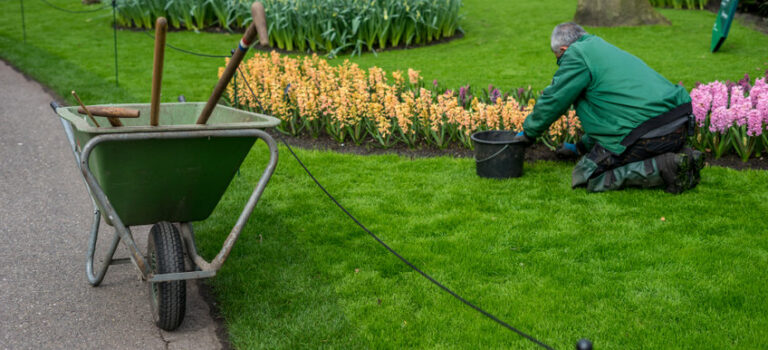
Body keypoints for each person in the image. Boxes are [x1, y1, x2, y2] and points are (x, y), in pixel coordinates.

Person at [513, 22, 704, 193]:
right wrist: (580, 147)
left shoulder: (576, 55)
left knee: (586, 176)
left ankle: (664, 166)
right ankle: (684, 157)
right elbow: (614, 114)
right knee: (626, 144)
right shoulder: (599, 48)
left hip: (648, 135)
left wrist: (529, 133)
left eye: (558, 60)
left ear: (563, 49)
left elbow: (555, 99)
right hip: (678, 125)